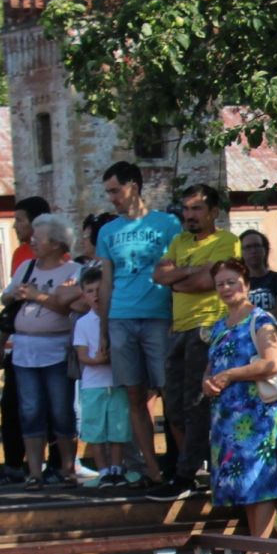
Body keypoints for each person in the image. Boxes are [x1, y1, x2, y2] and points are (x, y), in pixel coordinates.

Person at [150, 184, 240, 498]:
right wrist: (189, 273)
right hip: (178, 328)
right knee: (173, 405)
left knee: (196, 404)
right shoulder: (178, 240)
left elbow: (207, 281)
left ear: (214, 212)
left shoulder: (226, 241)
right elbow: (160, 276)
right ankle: (192, 470)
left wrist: (183, 276)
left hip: (207, 327)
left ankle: (187, 476)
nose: (190, 215)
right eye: (186, 209)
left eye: (197, 209)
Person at [96, 162, 182, 486]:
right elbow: (105, 282)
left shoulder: (167, 224)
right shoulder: (107, 231)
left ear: (133, 186)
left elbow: (176, 270)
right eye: (108, 192)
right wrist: (103, 330)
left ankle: (185, 469)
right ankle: (153, 470)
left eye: (115, 190)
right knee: (134, 396)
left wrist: (176, 317)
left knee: (168, 394)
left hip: (158, 316)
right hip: (120, 317)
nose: (112, 198)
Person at [200, 259, 277, 554]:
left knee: (258, 481)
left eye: (231, 281)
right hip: (226, 418)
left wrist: (230, 375)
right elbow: (212, 367)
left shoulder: (261, 320)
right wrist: (209, 382)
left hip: (257, 415)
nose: (226, 288)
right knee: (242, 485)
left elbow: (272, 362)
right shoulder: (217, 326)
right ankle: (256, 549)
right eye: (220, 284)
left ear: (246, 284)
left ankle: (260, 552)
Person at [1, 213, 82, 489]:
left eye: (40, 237)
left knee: (61, 410)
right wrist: (15, 294)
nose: (33, 241)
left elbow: (68, 307)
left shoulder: (73, 272)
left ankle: (68, 469)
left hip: (56, 349)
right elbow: (5, 296)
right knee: (30, 411)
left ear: (58, 243)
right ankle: (35, 473)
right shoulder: (26, 266)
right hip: (24, 350)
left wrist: (37, 296)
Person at [71, 269, 130, 487]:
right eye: (90, 291)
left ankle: (116, 468)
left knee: (117, 429)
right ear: (83, 295)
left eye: (99, 290)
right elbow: (82, 355)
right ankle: (103, 470)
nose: (96, 295)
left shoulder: (116, 319)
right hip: (93, 385)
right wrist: (100, 359)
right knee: (95, 430)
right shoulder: (83, 322)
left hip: (115, 383)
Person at [240, 230, 277, 325]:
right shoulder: (237, 284)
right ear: (240, 252)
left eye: (257, 246)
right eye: (248, 247)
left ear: (265, 249)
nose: (253, 251)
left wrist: (250, 321)